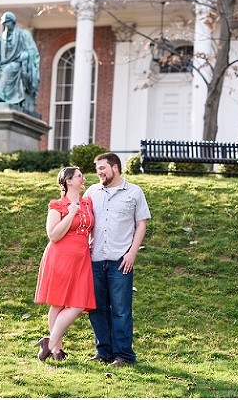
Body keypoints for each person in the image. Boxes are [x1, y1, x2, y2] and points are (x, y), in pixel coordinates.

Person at [85, 152, 151, 368]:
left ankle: (123, 355)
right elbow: (83, 221)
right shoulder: (92, 192)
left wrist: (132, 253)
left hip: (121, 260)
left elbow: (141, 224)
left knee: (121, 310)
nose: (99, 172)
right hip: (94, 261)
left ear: (115, 167)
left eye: (102, 168)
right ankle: (103, 352)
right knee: (97, 309)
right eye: (97, 169)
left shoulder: (134, 192)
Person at [33, 166, 96, 361]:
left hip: (82, 257)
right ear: (69, 181)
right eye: (79, 176)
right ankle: (56, 349)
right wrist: (70, 214)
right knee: (59, 304)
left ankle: (50, 343)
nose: (83, 178)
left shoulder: (88, 202)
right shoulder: (57, 205)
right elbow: (53, 235)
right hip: (61, 256)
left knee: (77, 303)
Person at [0, 11, 40, 111]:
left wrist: (26, 54)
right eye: (4, 23)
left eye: (8, 22)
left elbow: (32, 51)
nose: (6, 25)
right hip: (1, 64)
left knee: (8, 69)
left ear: (13, 22)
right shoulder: (0, 38)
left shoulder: (23, 34)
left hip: (16, 63)